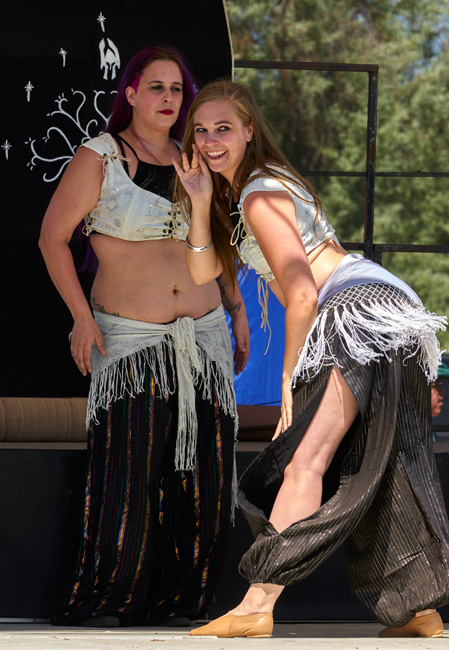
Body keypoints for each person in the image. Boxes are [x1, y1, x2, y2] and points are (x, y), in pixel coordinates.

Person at [174, 80, 449, 639]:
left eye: (223, 128)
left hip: (356, 308)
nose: (209, 140)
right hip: (383, 307)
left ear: (249, 130)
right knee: (376, 457)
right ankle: (416, 607)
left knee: (306, 459)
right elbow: (203, 272)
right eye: (201, 131)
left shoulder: (259, 194)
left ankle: (256, 605)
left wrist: (289, 376)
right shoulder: (252, 193)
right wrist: (201, 201)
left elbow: (303, 293)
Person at [38, 49, 249, 628]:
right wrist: (81, 317)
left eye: (177, 89)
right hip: (130, 341)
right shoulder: (101, 156)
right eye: (156, 87)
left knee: (204, 476)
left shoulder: (195, 158)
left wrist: (237, 311)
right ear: (130, 93)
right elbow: (52, 238)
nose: (169, 99)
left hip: (204, 337)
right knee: (127, 473)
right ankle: (109, 599)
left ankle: (182, 601)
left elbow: (219, 240)